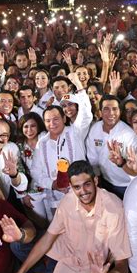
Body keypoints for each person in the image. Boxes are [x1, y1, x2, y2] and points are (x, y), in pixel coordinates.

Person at [14, 160, 131, 273]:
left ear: (95, 181)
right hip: (64, 259)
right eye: (77, 187)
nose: (83, 191)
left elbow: (122, 264)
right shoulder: (68, 200)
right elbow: (47, 239)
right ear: (71, 186)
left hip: (94, 268)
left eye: (87, 184)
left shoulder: (113, 208)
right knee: (18, 245)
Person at [30, 72, 92, 218]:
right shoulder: (42, 142)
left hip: (80, 195)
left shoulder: (75, 132)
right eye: (48, 120)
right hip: (54, 198)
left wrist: (79, 87)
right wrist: (52, 184)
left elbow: (86, 114)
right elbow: (36, 171)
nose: (52, 124)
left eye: (56, 119)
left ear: (64, 118)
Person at [86, 94, 137, 199]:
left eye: (115, 109)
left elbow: (136, 168)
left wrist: (121, 161)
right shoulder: (95, 129)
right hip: (105, 182)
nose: (111, 113)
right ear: (100, 112)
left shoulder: (129, 135)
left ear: (120, 112)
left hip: (127, 185)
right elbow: (93, 160)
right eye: (106, 109)